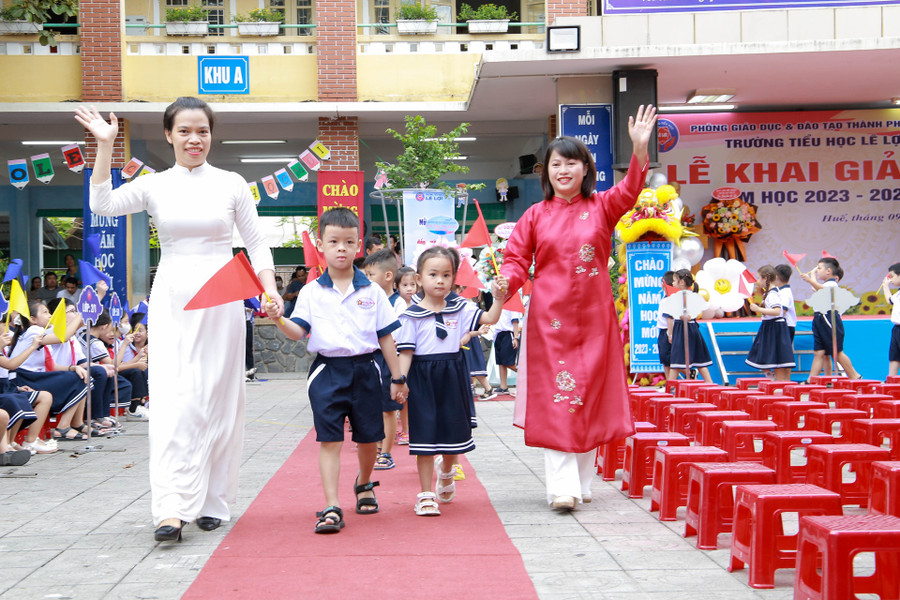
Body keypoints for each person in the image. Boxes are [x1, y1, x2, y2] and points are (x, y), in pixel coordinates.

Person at [75, 97, 283, 543]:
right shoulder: (154, 185)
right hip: (172, 299)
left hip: (222, 298)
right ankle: (171, 506)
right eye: (185, 131)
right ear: (169, 135)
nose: (194, 139)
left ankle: (213, 501)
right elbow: (102, 204)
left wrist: (270, 289)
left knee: (220, 400)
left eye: (202, 131)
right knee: (174, 401)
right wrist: (105, 146)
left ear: (211, 135)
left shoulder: (231, 183)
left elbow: (257, 244)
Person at [498, 105, 657, 511]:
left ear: (586, 168)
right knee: (558, 397)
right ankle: (562, 487)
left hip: (595, 321)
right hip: (549, 323)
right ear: (546, 173)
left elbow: (631, 190)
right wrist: (505, 284)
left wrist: (640, 149)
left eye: (571, 163)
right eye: (556, 164)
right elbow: (516, 260)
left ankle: (582, 482)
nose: (563, 170)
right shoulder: (534, 215)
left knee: (588, 395)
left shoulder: (603, 206)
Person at [264, 207, 405, 534]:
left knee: (369, 437)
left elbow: (386, 337)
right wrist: (278, 318)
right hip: (327, 372)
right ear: (321, 245)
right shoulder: (311, 291)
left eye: (348, 242)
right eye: (333, 241)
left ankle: (364, 482)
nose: (341, 248)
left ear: (358, 246)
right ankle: (331, 506)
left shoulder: (372, 291)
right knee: (330, 439)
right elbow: (298, 331)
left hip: (367, 369)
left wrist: (398, 378)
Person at [394, 247, 506, 516]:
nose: (440, 280)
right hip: (423, 378)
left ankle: (446, 471)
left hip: (453, 375)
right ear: (419, 279)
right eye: (433, 274)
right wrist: (400, 381)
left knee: (454, 434)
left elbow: (490, 318)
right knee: (424, 439)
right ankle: (425, 495)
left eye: (446, 275)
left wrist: (499, 298)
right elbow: (406, 352)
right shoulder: (410, 316)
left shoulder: (461, 308)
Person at [9, 300, 90, 442]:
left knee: (81, 375)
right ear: (33, 319)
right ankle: (63, 427)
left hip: (32, 377)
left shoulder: (39, 333)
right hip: (24, 378)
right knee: (79, 379)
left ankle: (68, 425)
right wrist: (81, 314)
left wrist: (73, 367)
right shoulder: (34, 331)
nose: (50, 315)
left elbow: (52, 366)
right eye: (45, 312)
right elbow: (63, 337)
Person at [362, 249, 403, 471]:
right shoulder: (367, 301)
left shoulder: (398, 303)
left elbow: (396, 335)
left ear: (388, 276)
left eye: (371, 275)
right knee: (374, 407)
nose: (367, 279)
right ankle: (378, 446)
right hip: (371, 359)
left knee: (388, 409)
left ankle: (386, 453)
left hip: (389, 359)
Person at [801, 257, 860, 381]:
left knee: (836, 351)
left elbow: (823, 290)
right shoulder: (824, 284)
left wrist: (810, 280)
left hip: (828, 317)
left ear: (828, 271)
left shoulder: (832, 284)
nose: (817, 270)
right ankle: (812, 380)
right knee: (819, 352)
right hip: (819, 318)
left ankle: (854, 376)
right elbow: (816, 287)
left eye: (819, 268)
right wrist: (812, 276)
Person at [746, 265, 795, 381]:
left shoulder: (772, 294)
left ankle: (780, 383)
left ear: (765, 279)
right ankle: (774, 379)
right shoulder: (769, 293)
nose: (758, 281)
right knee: (764, 355)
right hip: (769, 327)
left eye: (759, 278)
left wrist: (758, 309)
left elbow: (777, 311)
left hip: (774, 328)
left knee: (777, 359)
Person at [668, 269, 714, 383]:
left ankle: (710, 386)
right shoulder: (678, 297)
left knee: (681, 362)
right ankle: (670, 387)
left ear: (682, 282)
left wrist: (682, 316)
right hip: (682, 329)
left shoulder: (689, 297)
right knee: (678, 363)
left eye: (674, 280)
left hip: (687, 329)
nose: (672, 283)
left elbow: (689, 316)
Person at [393, 265, 417, 446]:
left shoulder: (420, 305)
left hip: (416, 357)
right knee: (403, 396)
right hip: (399, 356)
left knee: (413, 396)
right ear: (396, 286)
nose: (409, 289)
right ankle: (404, 430)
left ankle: (411, 430)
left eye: (412, 285)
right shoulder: (396, 305)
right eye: (405, 285)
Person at [493, 307, 521, 396]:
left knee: (508, 362)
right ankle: (503, 386)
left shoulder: (513, 303)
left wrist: (515, 337)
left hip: (508, 334)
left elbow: (515, 321)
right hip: (498, 333)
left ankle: (528, 376)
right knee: (501, 362)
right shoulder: (499, 302)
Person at [657, 271, 675, 381]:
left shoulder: (669, 299)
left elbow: (670, 318)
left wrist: (670, 334)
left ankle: (688, 372)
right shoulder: (665, 298)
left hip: (667, 331)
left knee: (668, 357)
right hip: (663, 330)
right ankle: (669, 381)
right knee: (664, 359)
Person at [883, 262, 900, 377]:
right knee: (894, 356)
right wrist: (885, 286)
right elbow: (890, 300)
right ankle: (891, 379)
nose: (891, 279)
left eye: (892, 276)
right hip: (896, 329)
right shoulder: (898, 293)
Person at [774, 264, 797, 343]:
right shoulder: (781, 291)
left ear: (776, 277)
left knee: (784, 349)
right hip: (784, 325)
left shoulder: (785, 293)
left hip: (786, 326)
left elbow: (782, 311)